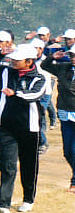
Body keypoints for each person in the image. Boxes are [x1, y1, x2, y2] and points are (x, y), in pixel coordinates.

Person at [0, 43, 46, 213]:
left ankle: (28, 199)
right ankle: (3, 204)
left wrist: (15, 93)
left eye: (17, 60)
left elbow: (35, 95)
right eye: (13, 59)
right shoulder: (6, 71)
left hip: (29, 128)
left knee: (29, 164)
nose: (13, 62)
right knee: (8, 165)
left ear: (29, 61)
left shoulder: (39, 77)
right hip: (7, 127)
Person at [42, 45, 75, 191]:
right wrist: (52, 57)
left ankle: (74, 181)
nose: (73, 59)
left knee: (74, 150)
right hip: (64, 113)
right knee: (67, 151)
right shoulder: (64, 67)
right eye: (72, 56)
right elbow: (44, 66)